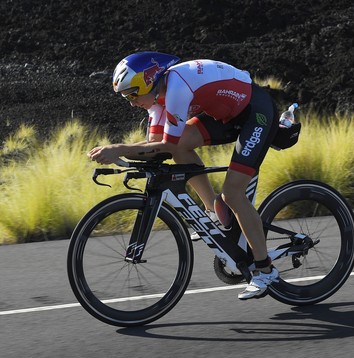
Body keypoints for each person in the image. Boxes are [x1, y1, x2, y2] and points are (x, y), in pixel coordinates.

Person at [88, 51, 281, 300]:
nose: (131, 103)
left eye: (132, 95)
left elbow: (165, 146)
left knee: (233, 194)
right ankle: (213, 210)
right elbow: (155, 145)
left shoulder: (178, 88)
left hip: (256, 113)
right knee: (180, 145)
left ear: (148, 82)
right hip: (226, 115)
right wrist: (123, 156)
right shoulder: (158, 99)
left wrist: (120, 148)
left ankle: (265, 270)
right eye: (126, 97)